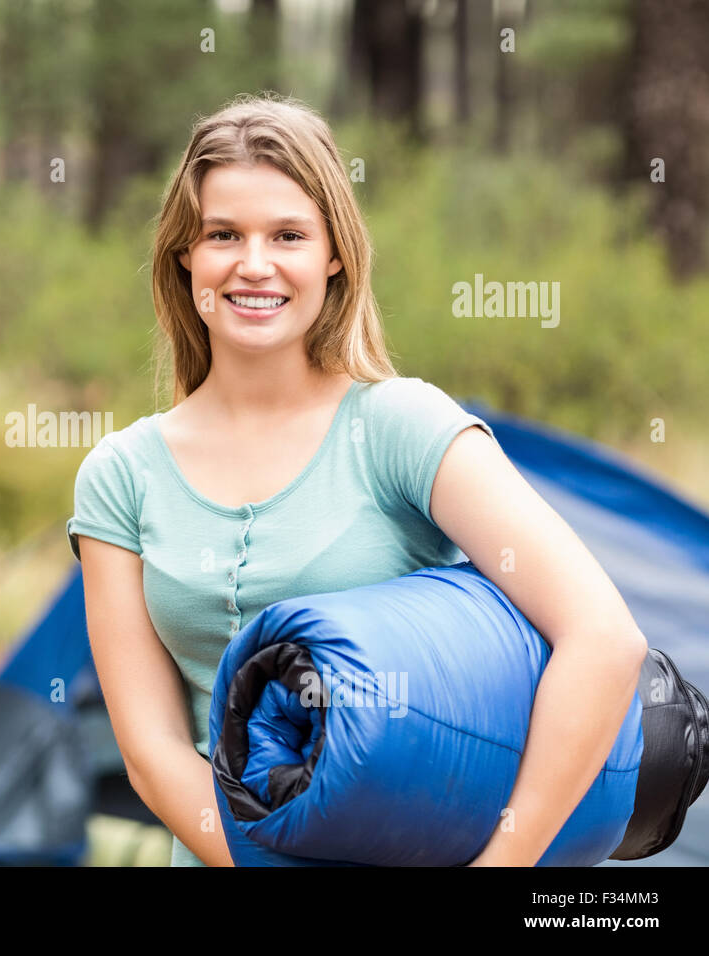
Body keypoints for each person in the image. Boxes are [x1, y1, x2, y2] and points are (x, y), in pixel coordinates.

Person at [66, 93, 648, 867]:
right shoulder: (120, 478)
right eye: (223, 235)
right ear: (185, 255)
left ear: (334, 254)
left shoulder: (402, 428)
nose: (254, 264)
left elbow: (605, 638)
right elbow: (151, 751)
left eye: (288, 235)